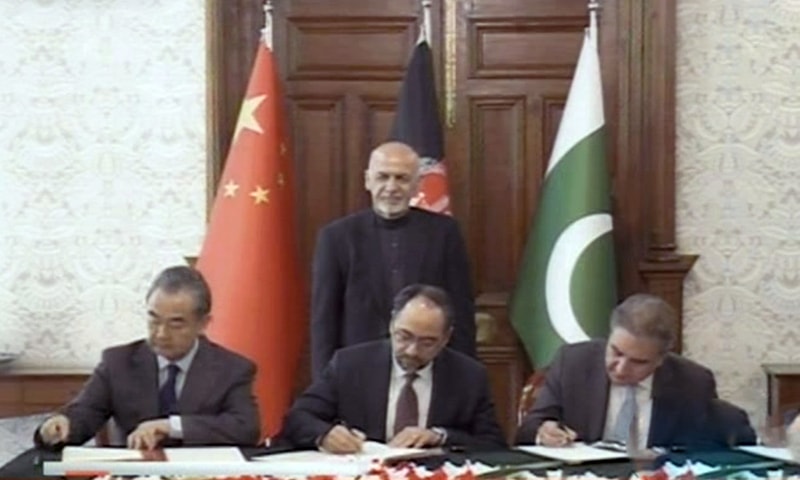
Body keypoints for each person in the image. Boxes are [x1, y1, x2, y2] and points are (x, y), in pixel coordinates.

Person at [34, 266, 260, 450]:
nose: (161, 333)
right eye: (154, 319)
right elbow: (85, 413)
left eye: (176, 323)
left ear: (203, 324)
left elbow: (245, 427)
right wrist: (61, 425)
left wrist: (171, 427)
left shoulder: (231, 369)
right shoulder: (118, 363)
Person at [310, 141, 475, 380]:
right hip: (357, 370)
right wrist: (324, 383)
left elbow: (460, 309)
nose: (391, 187)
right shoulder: (336, 237)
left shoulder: (444, 234)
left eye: (401, 178)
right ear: (368, 180)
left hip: (428, 367)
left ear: (417, 184)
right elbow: (324, 320)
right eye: (383, 177)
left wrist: (465, 377)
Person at [281, 284, 505, 452]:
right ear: (391, 324)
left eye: (427, 342)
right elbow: (298, 417)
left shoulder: (469, 376)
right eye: (404, 336)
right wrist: (325, 435)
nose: (411, 350)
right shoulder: (350, 364)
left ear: (446, 338)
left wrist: (440, 436)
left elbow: (494, 444)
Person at [516, 293, 719, 451]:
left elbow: (704, 450)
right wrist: (544, 431)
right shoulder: (573, 363)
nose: (620, 368)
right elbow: (528, 428)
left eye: (638, 362)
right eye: (616, 352)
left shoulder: (693, 382)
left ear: (660, 359)